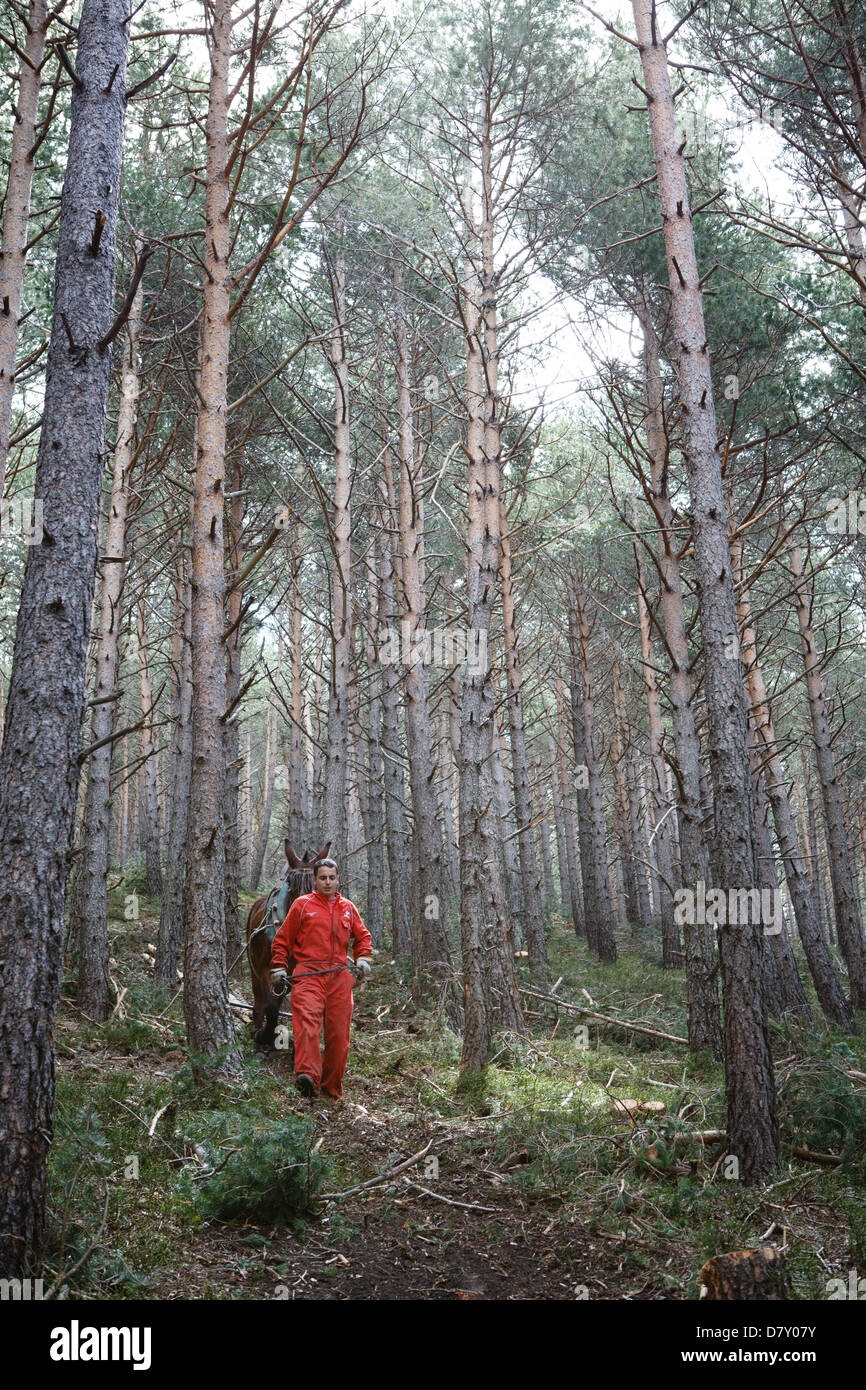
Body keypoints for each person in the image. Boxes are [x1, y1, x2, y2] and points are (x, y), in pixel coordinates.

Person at [269, 858, 372, 1099]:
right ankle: (307, 1077)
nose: (327, 882)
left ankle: (331, 1088)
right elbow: (282, 939)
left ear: (338, 879)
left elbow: (363, 937)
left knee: (339, 1036)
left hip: (339, 977)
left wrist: (363, 957)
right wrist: (279, 967)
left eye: (331, 877)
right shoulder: (302, 905)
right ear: (314, 880)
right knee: (307, 1025)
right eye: (322, 877)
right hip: (308, 975)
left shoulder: (348, 908)